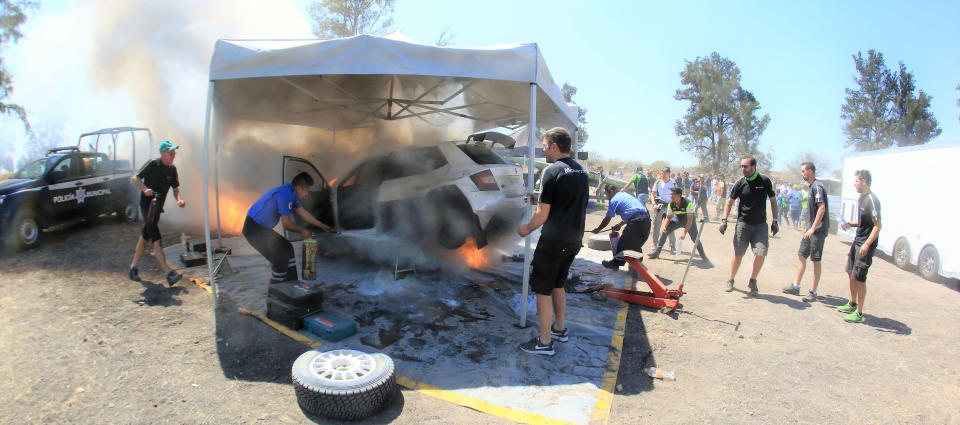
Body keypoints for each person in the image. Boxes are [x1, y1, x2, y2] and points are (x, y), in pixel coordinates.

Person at [517, 127, 588, 356]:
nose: (543, 150)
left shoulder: (551, 171)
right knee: (558, 284)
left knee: (542, 290)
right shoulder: (581, 171)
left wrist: (525, 229)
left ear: (554, 147)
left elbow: (542, 216)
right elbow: (567, 200)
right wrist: (540, 198)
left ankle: (544, 342)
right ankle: (559, 329)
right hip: (573, 240)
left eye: (545, 146)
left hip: (554, 242)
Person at [243, 172, 334, 287]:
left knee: (288, 247)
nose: (306, 194)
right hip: (254, 229)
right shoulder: (285, 194)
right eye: (307, 190)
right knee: (279, 260)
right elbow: (287, 224)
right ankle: (275, 294)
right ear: (300, 188)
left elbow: (303, 213)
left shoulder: (291, 193)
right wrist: (302, 231)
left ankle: (292, 286)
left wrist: (321, 225)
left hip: (263, 229)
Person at [718, 155, 778, 296]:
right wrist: (724, 220)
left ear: (753, 167)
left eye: (745, 166)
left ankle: (753, 280)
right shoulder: (740, 183)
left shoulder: (764, 181)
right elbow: (729, 202)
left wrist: (775, 221)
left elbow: (773, 201)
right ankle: (731, 280)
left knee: (761, 253)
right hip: (743, 224)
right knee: (738, 254)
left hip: (760, 225)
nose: (743, 169)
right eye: (741, 166)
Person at [128, 140, 186, 286]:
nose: (173, 155)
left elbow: (175, 188)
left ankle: (133, 268)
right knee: (156, 239)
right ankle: (168, 273)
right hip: (147, 207)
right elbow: (135, 178)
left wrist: (179, 200)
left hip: (157, 208)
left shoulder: (172, 170)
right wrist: (144, 189)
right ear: (163, 153)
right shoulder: (153, 164)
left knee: (145, 237)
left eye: (174, 153)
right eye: (170, 153)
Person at [837, 170, 881, 323]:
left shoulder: (872, 200)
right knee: (850, 272)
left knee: (860, 278)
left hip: (865, 245)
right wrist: (849, 223)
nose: (854, 184)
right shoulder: (861, 198)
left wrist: (867, 244)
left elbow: (877, 225)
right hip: (857, 241)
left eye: (856, 181)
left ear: (864, 182)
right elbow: (862, 221)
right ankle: (852, 303)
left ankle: (859, 313)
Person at [782, 163, 829, 302]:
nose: (802, 173)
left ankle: (813, 292)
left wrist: (813, 227)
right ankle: (796, 286)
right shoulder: (811, 187)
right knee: (802, 254)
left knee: (816, 259)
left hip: (818, 230)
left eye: (803, 171)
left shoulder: (817, 187)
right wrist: (806, 227)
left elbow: (822, 208)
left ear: (810, 171)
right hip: (810, 229)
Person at [591, 185, 651, 270]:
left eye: (606, 194)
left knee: (623, 243)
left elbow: (607, 219)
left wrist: (598, 229)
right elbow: (634, 213)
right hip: (646, 221)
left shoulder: (614, 199)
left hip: (637, 221)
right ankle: (636, 269)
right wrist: (620, 225)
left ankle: (616, 264)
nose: (606, 196)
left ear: (611, 192)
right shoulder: (624, 195)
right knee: (635, 245)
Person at [647, 187, 710, 264]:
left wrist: (684, 233)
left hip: (689, 221)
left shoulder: (687, 203)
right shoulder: (671, 204)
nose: (671, 196)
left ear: (679, 195)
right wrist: (664, 226)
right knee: (665, 231)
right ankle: (657, 252)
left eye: (673, 194)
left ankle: (703, 255)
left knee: (695, 238)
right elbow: (668, 217)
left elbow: (690, 221)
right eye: (670, 194)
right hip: (678, 219)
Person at [651, 167, 677, 254]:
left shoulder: (673, 183)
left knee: (670, 226)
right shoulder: (658, 182)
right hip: (659, 206)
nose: (662, 175)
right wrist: (654, 204)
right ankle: (655, 245)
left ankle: (672, 246)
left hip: (669, 207)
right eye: (662, 173)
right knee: (656, 226)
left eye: (665, 173)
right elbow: (653, 194)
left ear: (669, 174)